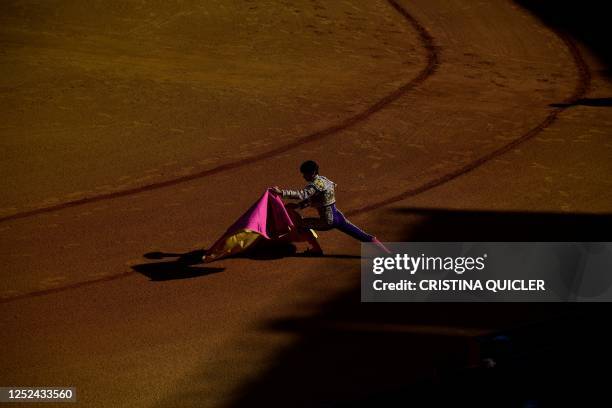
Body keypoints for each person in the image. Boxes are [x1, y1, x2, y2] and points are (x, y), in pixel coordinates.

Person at [271, 160, 391, 255]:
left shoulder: (315, 185)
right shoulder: (324, 180)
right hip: (338, 215)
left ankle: (317, 250)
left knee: (301, 224)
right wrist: (299, 206)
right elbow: (317, 199)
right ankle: (388, 254)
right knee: (361, 235)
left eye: (305, 174)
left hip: (328, 221)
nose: (304, 176)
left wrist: (281, 192)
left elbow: (302, 195)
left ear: (312, 173)